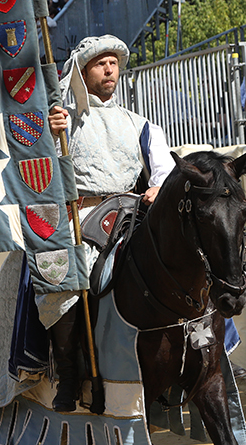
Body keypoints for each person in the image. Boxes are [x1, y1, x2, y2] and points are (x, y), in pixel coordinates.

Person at [43, 34, 176, 411]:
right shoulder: (63, 120)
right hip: (81, 214)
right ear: (83, 72)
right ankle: (68, 375)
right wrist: (52, 134)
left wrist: (158, 186)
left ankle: (181, 362)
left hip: (132, 212)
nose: (109, 68)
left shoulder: (140, 124)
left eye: (114, 62)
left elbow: (165, 168)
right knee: (60, 278)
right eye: (100, 62)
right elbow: (41, 168)